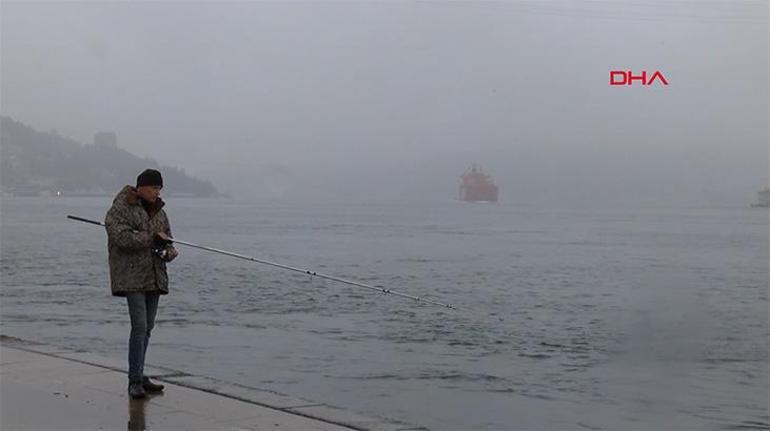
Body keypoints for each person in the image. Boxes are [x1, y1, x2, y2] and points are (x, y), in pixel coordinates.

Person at [105, 169, 179, 399]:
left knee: (147, 327)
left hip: (154, 276)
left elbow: (166, 239)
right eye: (154, 188)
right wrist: (151, 238)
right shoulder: (121, 207)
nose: (157, 193)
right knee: (138, 327)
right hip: (131, 276)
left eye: (159, 189)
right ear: (141, 187)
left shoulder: (160, 212)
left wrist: (169, 251)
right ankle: (134, 380)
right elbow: (121, 238)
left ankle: (140, 372)